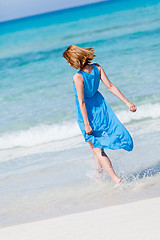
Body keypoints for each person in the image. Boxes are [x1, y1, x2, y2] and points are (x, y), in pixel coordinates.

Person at [63, 45, 137, 184]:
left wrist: (86, 123)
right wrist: (127, 103)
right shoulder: (97, 67)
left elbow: (82, 102)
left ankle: (116, 180)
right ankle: (99, 176)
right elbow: (110, 87)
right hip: (101, 107)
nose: (68, 64)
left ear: (74, 59)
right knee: (95, 146)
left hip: (88, 113)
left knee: (97, 149)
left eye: (68, 61)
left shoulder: (78, 77)